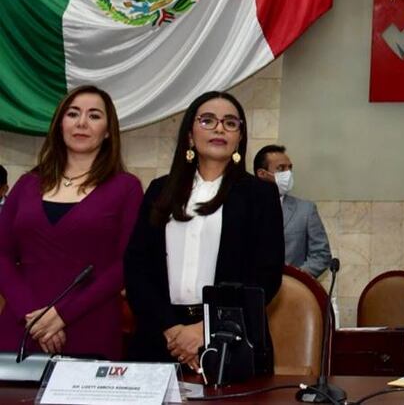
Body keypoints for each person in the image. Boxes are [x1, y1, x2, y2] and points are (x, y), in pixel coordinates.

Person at [124, 91, 284, 373]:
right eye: (208, 120)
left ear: (239, 138)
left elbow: (265, 277)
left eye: (230, 123)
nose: (220, 128)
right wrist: (172, 330)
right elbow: (137, 269)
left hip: (232, 338)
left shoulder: (260, 195)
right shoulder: (160, 190)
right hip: (160, 338)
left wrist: (205, 329)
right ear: (189, 134)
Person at [0, 86, 142, 360]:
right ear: (59, 124)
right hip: (23, 324)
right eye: (73, 113)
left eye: (94, 116)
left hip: (90, 324)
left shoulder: (126, 187)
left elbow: (127, 264)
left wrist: (61, 315)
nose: (81, 123)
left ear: (109, 131)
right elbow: (1, 254)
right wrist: (33, 315)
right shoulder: (28, 184)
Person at [254, 144, 332, 278]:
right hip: (251, 292)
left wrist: (296, 279)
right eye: (281, 168)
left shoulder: (305, 210)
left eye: (290, 168)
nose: (288, 173)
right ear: (261, 173)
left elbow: (321, 255)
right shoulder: (243, 206)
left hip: (291, 292)